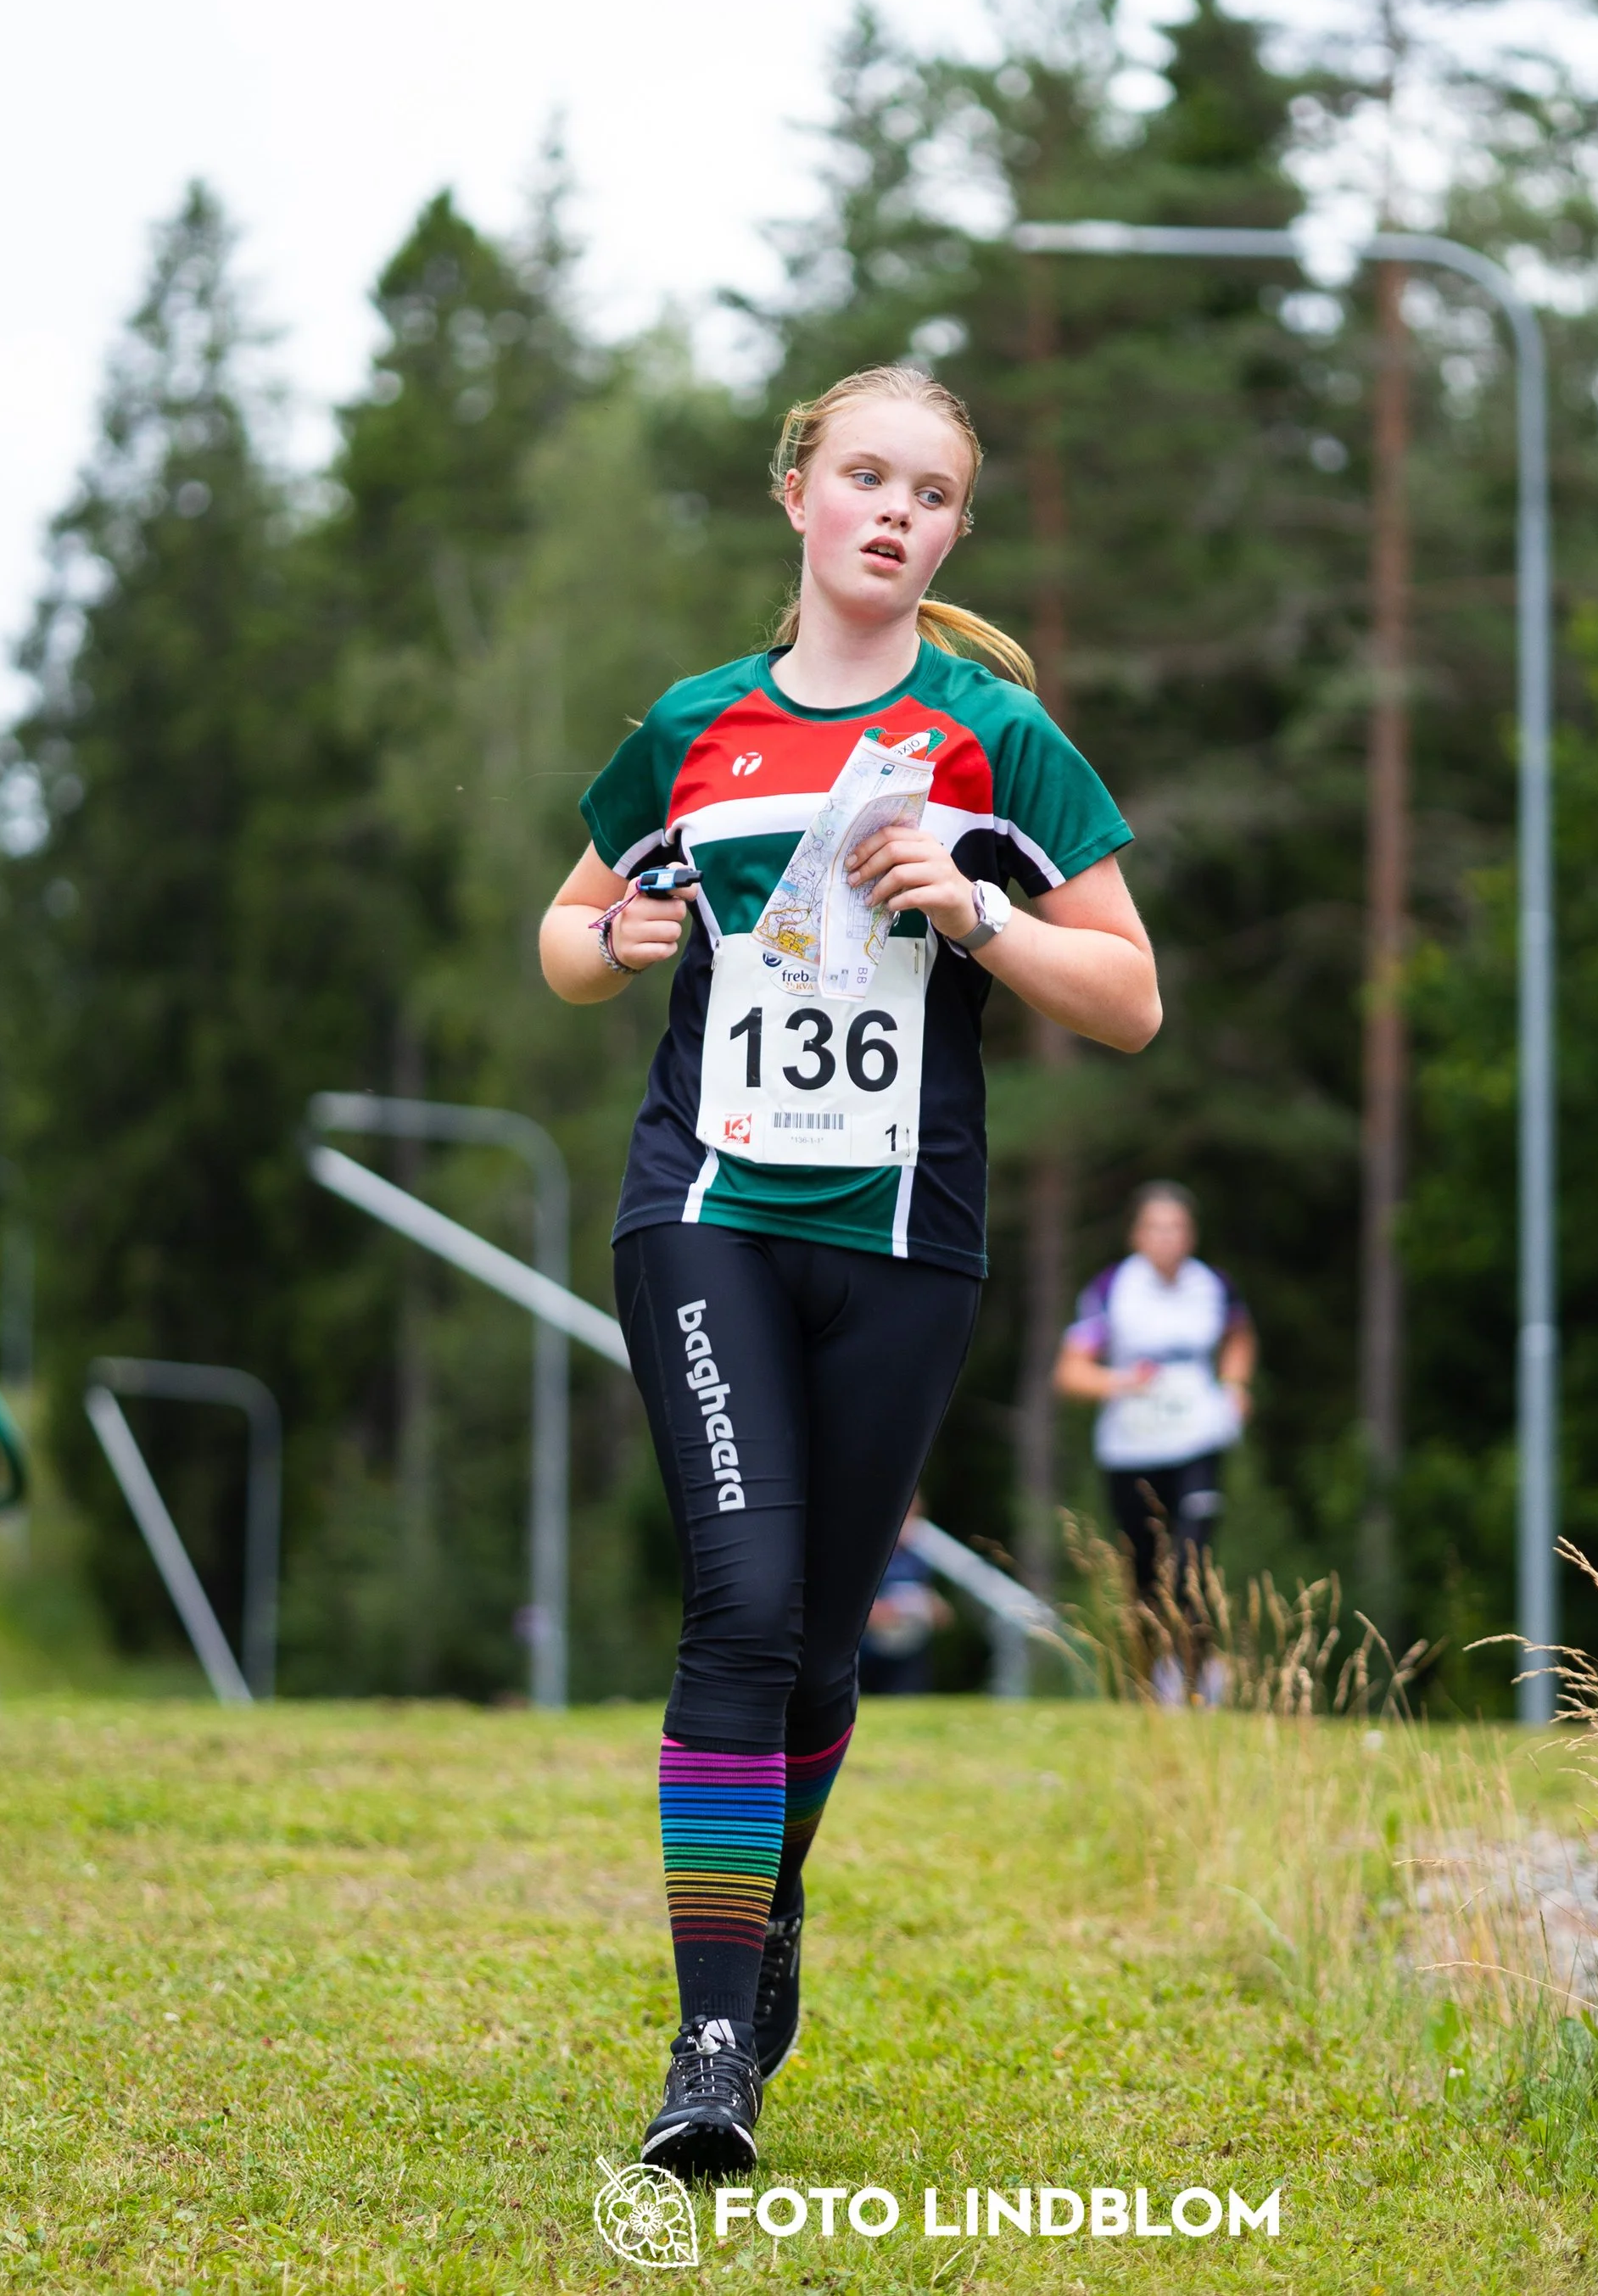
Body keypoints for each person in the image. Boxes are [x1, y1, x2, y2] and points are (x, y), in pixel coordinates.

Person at [540, 366, 1159, 2178]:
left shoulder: (991, 739)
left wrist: (977, 907)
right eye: (864, 475)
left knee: (815, 1644)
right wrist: (615, 933)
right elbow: (571, 929)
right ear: (797, 492)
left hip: (902, 1239)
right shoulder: (693, 726)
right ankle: (710, 2041)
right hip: (707, 1212)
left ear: (954, 528)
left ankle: (764, 1898)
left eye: (933, 491)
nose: (894, 511)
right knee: (736, 1605)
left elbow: (1126, 994)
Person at [1054, 1182, 1255, 1655]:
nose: (1167, 1237)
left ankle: (1200, 1678)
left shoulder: (1213, 1286)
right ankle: (1149, 1679)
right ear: (1136, 1235)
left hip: (1199, 1438)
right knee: (1144, 1571)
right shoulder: (1112, 1289)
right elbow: (1070, 1372)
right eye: (1156, 1227)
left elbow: (1240, 1336)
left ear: (1191, 1235)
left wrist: (1236, 1386)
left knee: (1192, 1560)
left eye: (1177, 1227)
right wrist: (1123, 1381)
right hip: (1133, 1445)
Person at [858, 1495, 953, 1696]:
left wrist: (931, 1609)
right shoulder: (866, 1553)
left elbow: (941, 1612)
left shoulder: (918, 1558)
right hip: (867, 1652)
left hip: (908, 1653)